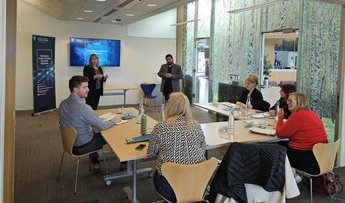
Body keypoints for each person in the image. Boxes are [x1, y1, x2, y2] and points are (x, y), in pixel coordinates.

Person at [147, 92, 206, 202]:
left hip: (170, 188)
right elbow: (203, 149)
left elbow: (150, 153)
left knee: (158, 172)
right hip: (197, 185)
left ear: (170, 107)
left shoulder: (161, 128)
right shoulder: (196, 125)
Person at [58, 75, 121, 173]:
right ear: (75, 89)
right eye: (84, 87)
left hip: (69, 144)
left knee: (93, 131)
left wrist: (94, 120)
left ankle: (94, 160)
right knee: (113, 130)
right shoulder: (84, 108)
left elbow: (76, 120)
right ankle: (124, 162)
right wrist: (114, 120)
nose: (88, 89)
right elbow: (102, 127)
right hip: (83, 146)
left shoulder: (62, 104)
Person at [275, 92, 327, 175]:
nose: (287, 103)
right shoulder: (310, 113)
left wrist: (280, 119)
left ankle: (290, 178)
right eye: (287, 101)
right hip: (320, 155)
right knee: (279, 144)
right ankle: (291, 174)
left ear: (299, 102)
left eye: (290, 101)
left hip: (308, 157)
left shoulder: (298, 115)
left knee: (273, 150)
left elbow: (280, 134)